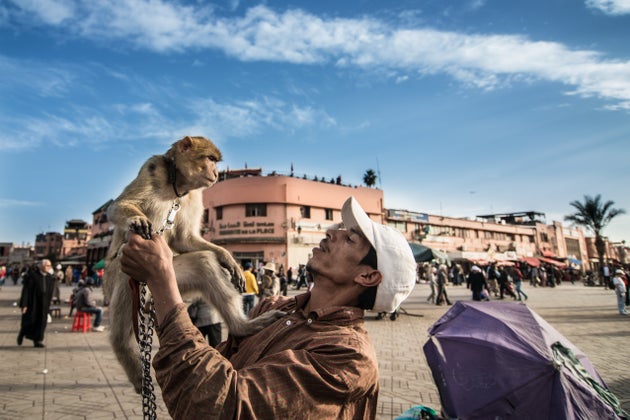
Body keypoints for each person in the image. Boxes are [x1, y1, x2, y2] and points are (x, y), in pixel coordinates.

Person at [119, 196, 417, 418]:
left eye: (350, 238)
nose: (332, 233)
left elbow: (218, 404)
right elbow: (208, 369)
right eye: (339, 228)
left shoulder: (348, 357)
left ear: (367, 276)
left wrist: (164, 282)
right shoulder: (276, 310)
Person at [17, 259, 56, 347]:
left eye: (49, 266)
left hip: (44, 304)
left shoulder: (50, 278)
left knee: (41, 322)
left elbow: (50, 292)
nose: (48, 267)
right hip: (33, 303)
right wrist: (24, 304)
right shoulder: (33, 276)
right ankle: (22, 333)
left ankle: (37, 340)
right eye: (47, 265)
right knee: (29, 320)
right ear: (41, 266)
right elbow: (26, 291)